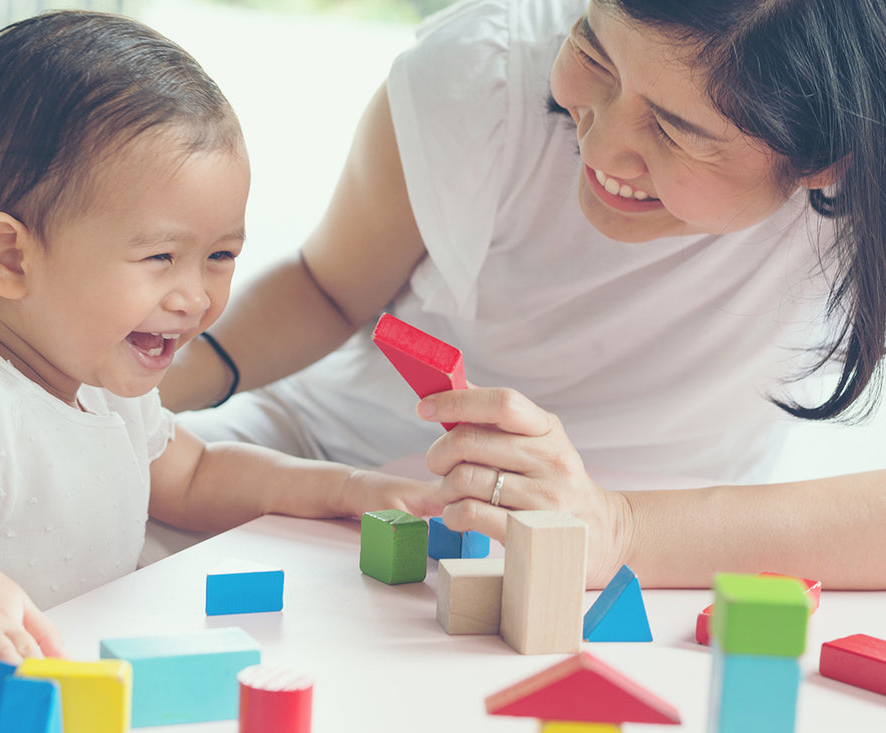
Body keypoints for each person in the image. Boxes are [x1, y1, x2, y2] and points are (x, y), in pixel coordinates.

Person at [0, 10, 466, 706]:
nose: (197, 296)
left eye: (220, 256)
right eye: (160, 257)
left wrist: (343, 488)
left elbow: (199, 475)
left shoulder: (97, 372)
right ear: (9, 256)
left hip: (64, 698)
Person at [160, 0, 886, 591]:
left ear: (826, 162)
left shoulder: (868, 173)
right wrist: (139, 379)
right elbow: (325, 289)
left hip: (660, 551)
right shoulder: (484, 77)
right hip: (331, 470)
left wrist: (618, 526)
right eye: (594, 54)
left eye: (674, 131)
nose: (599, 150)